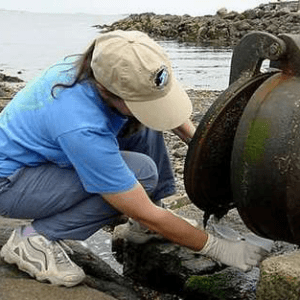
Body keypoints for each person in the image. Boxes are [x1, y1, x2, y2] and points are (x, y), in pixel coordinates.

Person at [0, 30, 268, 288]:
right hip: (11, 182)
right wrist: (217, 247)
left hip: (46, 156)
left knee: (145, 119)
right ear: (106, 91)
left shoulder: (106, 64)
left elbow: (161, 107)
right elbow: (139, 207)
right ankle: (34, 240)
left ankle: (144, 227)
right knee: (142, 174)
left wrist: (203, 148)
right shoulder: (81, 125)